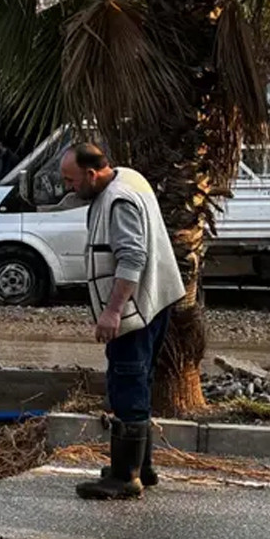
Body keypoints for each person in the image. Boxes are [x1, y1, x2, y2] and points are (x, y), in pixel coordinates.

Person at [61, 143, 186, 500]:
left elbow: (131, 258)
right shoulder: (128, 178)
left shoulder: (118, 201)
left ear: (91, 174)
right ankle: (140, 467)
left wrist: (113, 311)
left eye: (71, 180)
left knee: (127, 383)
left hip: (134, 311)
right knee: (139, 380)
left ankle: (124, 477)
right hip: (155, 301)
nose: (69, 187)